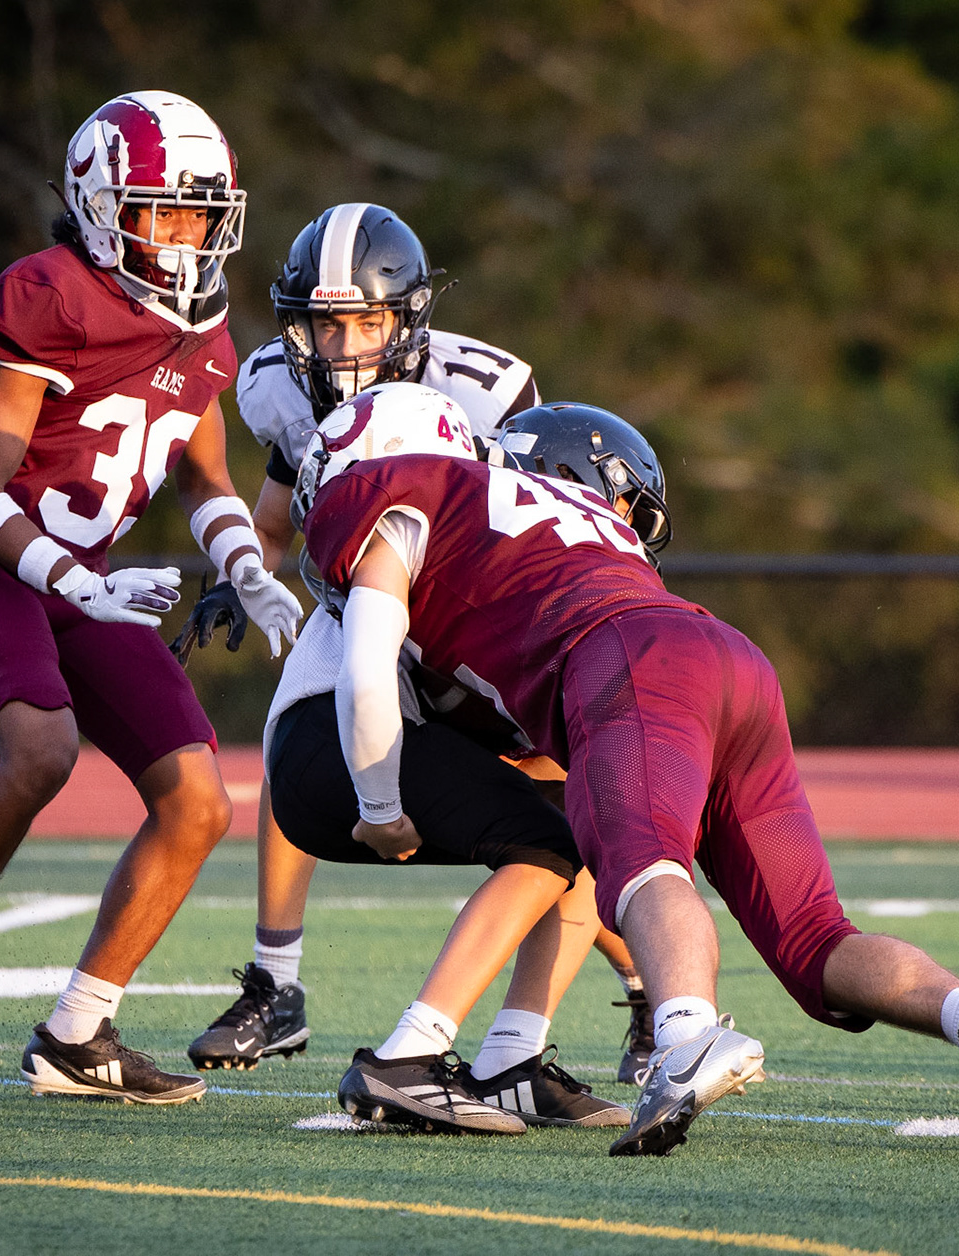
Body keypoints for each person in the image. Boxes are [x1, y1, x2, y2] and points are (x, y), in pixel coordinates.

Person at [293, 388, 959, 1158]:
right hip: (727, 658)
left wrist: (380, 802)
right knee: (815, 936)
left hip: (626, 660)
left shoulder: (399, 493)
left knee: (644, 867)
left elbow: (367, 666)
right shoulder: (587, 522)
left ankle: (685, 1038)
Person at [0, 90, 301, 1106]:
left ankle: (78, 1033)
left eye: (202, 214)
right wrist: (81, 580)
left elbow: (204, 480)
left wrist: (249, 568)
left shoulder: (202, 327)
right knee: (43, 752)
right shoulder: (48, 294)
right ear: (101, 199)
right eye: (162, 210)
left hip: (90, 582)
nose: (187, 236)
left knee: (200, 801)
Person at [179, 203, 654, 1081]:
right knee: (308, 730)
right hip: (359, 590)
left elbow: (530, 515)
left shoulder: (481, 392)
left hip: (455, 604)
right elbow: (277, 514)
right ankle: (276, 986)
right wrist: (241, 575)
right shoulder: (282, 386)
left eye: (366, 321)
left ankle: (647, 992)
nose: (346, 344)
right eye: (326, 323)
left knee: (550, 794)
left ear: (409, 319)